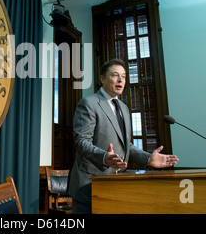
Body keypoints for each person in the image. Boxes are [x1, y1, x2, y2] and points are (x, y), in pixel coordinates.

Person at [68, 58, 179, 214]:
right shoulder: (89, 103)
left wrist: (148, 158)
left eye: (124, 76)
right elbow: (81, 142)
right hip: (90, 184)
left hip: (116, 184)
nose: (121, 79)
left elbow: (127, 145)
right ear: (102, 78)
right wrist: (103, 157)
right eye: (115, 75)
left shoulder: (124, 108)